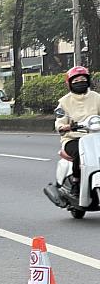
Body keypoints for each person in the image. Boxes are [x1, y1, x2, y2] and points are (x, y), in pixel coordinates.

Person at [54, 66, 100, 200]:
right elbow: (59, 121)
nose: (80, 82)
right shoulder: (63, 102)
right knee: (81, 154)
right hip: (73, 138)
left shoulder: (96, 97)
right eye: (76, 80)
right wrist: (65, 127)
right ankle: (76, 182)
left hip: (96, 137)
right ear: (69, 83)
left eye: (83, 79)